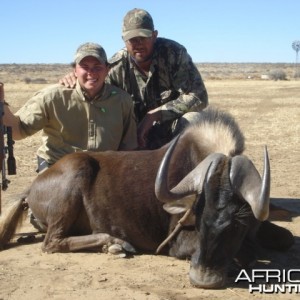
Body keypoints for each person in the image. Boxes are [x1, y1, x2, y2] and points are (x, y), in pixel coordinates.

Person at [60, 8, 208, 149]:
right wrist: (76, 79)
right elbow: (95, 88)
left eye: (143, 37)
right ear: (124, 40)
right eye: (132, 39)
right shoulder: (115, 66)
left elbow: (199, 96)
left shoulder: (174, 54)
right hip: (132, 138)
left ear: (154, 35)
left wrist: (156, 115)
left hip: (172, 136)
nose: (138, 44)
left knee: (194, 119)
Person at [0, 42, 137, 173]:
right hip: (58, 169)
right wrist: (2, 104)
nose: (91, 72)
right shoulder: (52, 97)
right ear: (75, 70)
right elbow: (18, 131)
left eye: (97, 67)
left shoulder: (122, 100)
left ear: (107, 70)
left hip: (103, 172)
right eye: (84, 66)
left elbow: (128, 147)